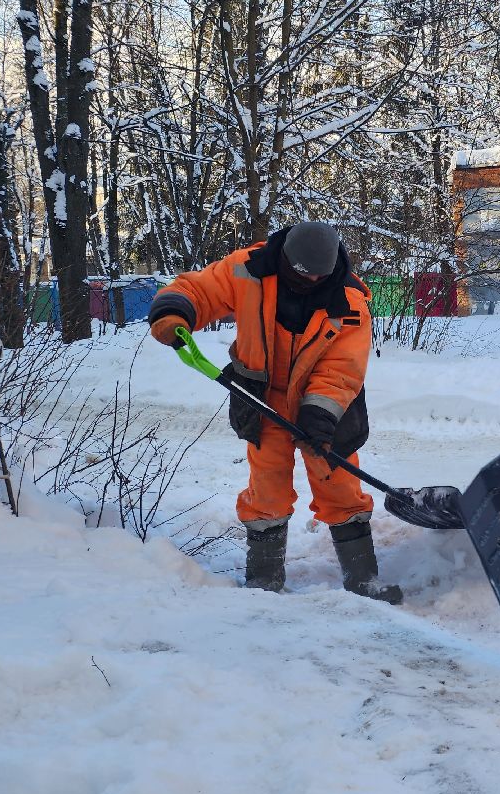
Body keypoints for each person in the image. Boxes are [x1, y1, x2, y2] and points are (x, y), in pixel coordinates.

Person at [146, 221, 401, 604]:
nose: (311, 280)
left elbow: (342, 369)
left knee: (339, 483)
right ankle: (265, 578)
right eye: (303, 273)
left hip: (328, 405)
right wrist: (175, 309)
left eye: (319, 275)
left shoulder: (348, 302)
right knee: (267, 486)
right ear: (284, 259)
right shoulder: (249, 269)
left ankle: (362, 577)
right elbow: (199, 289)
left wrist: (318, 415)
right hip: (261, 397)